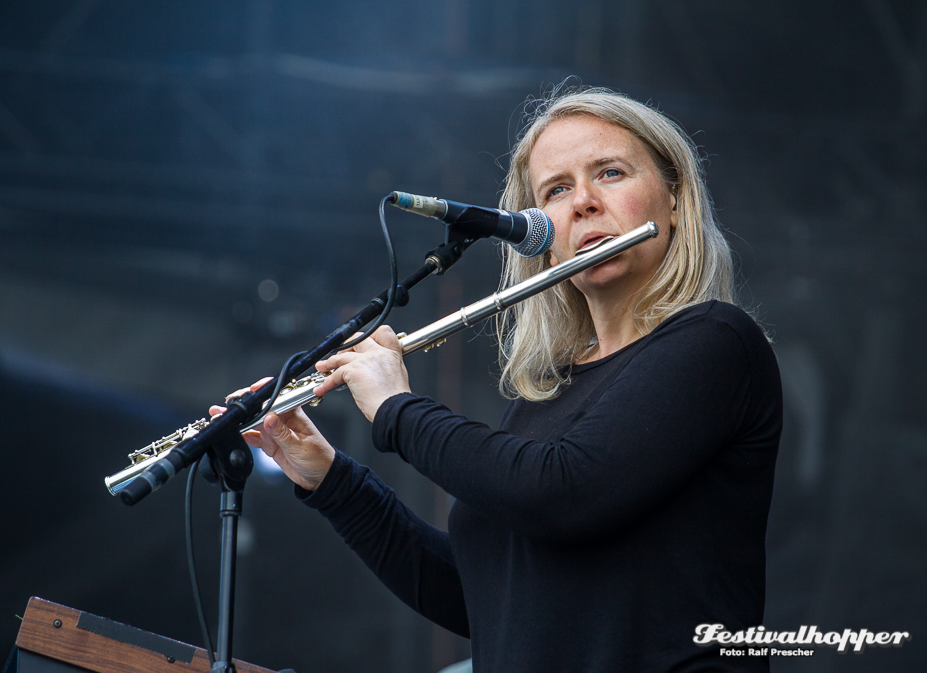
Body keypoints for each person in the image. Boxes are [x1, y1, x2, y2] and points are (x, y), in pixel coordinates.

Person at [212, 86, 782, 672]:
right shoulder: (552, 396)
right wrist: (331, 478)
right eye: (556, 190)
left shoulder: (716, 342)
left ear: (675, 199)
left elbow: (564, 493)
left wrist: (395, 408)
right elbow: (483, 599)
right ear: (541, 235)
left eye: (609, 173)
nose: (582, 202)